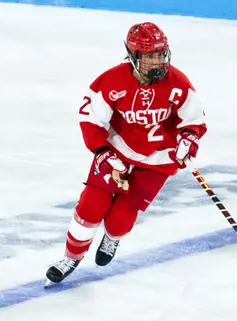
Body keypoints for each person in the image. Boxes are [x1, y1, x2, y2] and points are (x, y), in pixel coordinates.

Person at [46, 22, 207, 284]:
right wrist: (102, 151)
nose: (158, 61)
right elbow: (91, 120)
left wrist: (189, 138)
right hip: (117, 152)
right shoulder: (111, 81)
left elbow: (194, 118)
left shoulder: (177, 82)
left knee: (121, 218)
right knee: (91, 206)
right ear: (133, 56)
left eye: (161, 53)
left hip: (158, 160)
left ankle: (112, 238)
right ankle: (71, 257)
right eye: (150, 55)